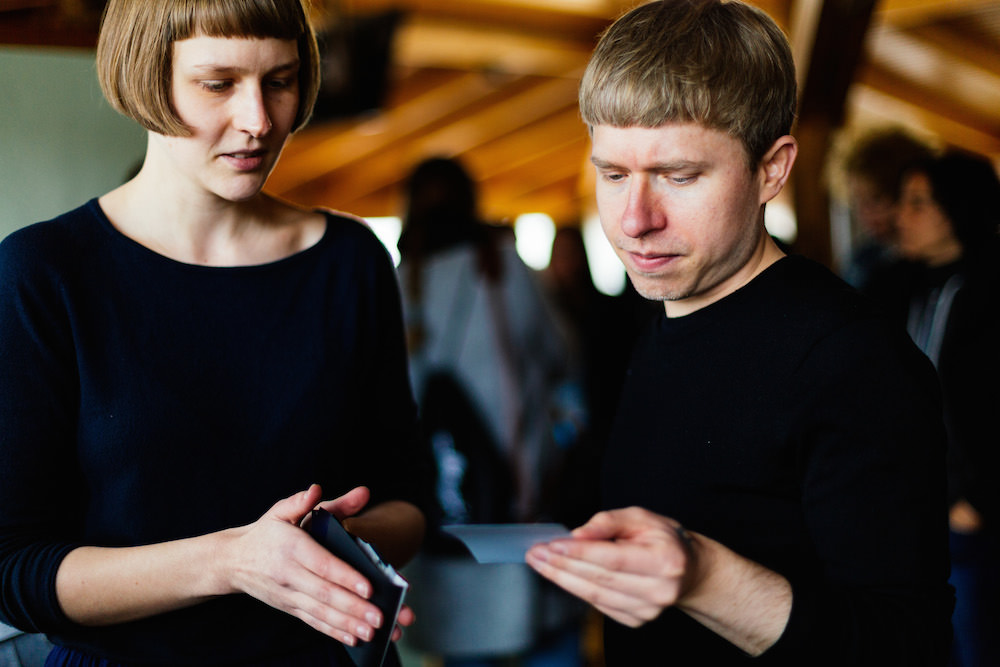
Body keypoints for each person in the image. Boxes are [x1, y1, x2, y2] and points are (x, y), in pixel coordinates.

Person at [0, 1, 430, 665]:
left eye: (280, 81)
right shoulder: (46, 272)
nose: (258, 121)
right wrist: (234, 562)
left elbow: (412, 502)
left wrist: (333, 545)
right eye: (218, 83)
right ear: (146, 77)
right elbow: (15, 571)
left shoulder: (351, 261)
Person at [525, 1, 953, 665]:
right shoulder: (659, 319)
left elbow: (906, 643)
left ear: (772, 170)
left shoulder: (853, 361)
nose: (634, 220)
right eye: (612, 174)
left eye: (679, 175)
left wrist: (705, 577)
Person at [395, 157, 584, 666]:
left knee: (467, 646)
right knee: (544, 641)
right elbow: (561, 353)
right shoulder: (500, 268)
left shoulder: (398, 282)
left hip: (441, 514)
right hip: (518, 507)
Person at [865, 151, 1000, 667]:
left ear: (956, 208)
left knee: (978, 645)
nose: (902, 215)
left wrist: (978, 500)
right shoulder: (898, 286)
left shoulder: (990, 287)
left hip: (971, 515)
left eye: (918, 203)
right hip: (912, 509)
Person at [837, 127, 936, 290]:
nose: (864, 213)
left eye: (876, 199)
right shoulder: (862, 261)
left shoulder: (932, 262)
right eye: (858, 201)